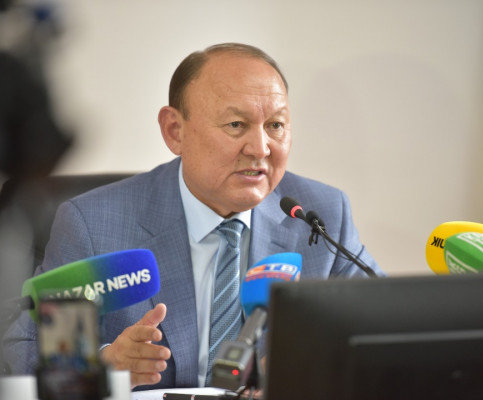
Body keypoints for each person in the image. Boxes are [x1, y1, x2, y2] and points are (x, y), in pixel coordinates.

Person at [2, 43, 384, 390]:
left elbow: (383, 331)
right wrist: (104, 365)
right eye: (236, 125)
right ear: (175, 131)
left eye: (275, 126)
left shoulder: (320, 217)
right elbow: (22, 355)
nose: (260, 148)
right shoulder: (94, 225)